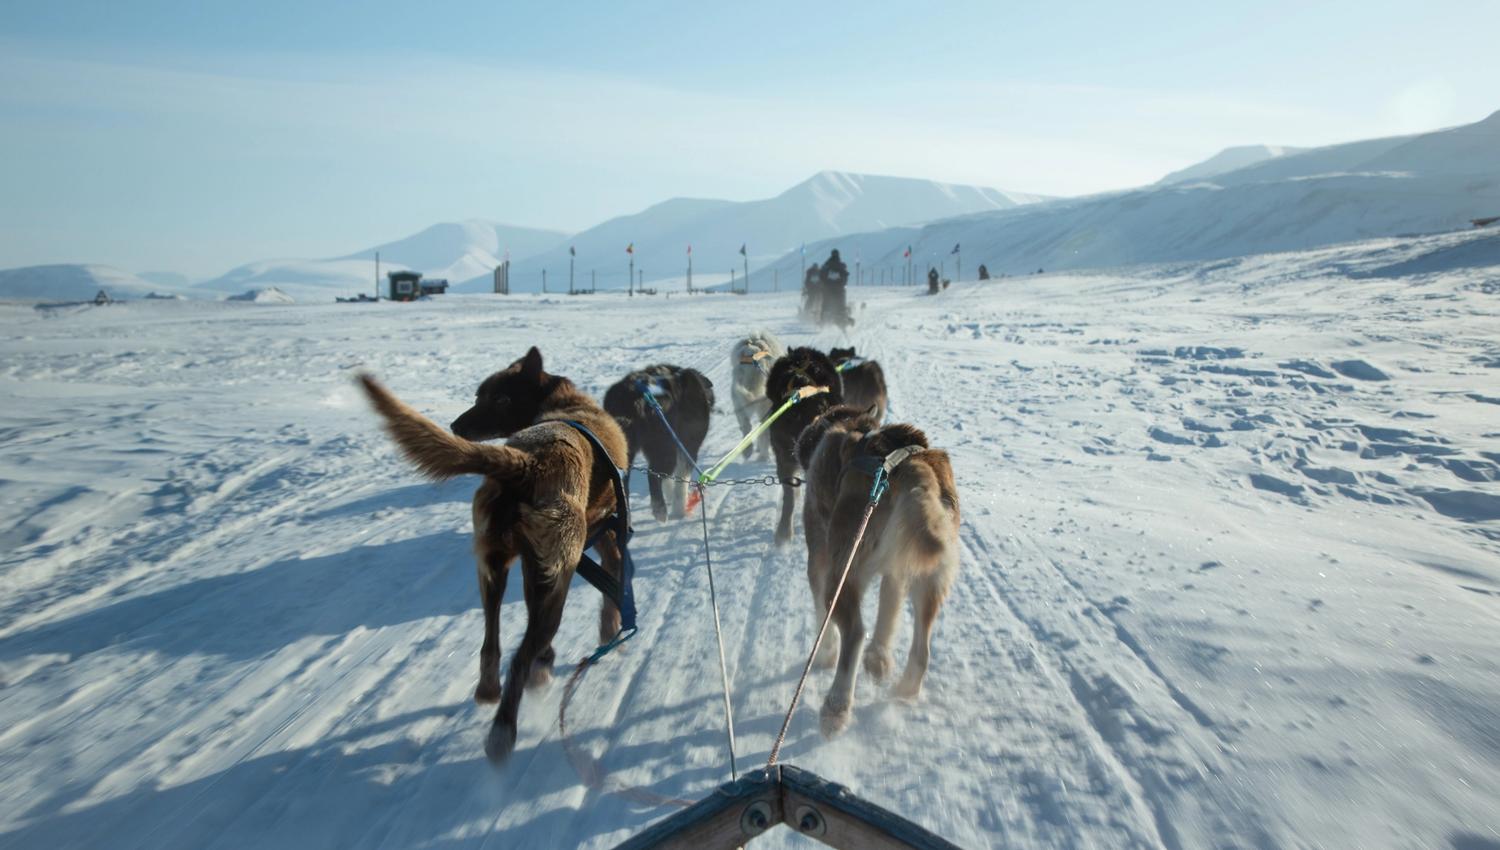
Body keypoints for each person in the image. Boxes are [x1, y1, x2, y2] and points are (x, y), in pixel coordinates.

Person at [819, 250, 850, 326]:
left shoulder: (827, 264)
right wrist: (843, 283)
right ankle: (842, 316)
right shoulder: (841, 265)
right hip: (839, 289)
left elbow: (821, 274)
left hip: (828, 289)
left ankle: (823, 319)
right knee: (841, 303)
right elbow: (845, 275)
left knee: (825, 304)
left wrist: (824, 283)